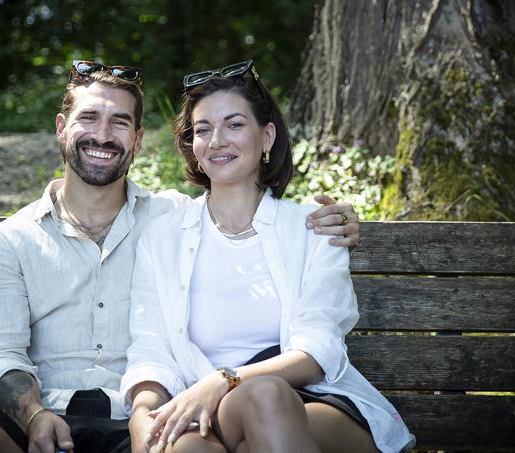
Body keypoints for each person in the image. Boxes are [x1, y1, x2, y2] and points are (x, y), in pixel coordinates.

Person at [0, 60, 361, 453]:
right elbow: (1, 355)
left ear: (138, 139)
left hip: (138, 416)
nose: (102, 134)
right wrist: (33, 415)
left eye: (120, 122)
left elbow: (241, 204)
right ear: (60, 127)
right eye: (88, 117)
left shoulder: (166, 219)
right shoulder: (11, 240)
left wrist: (334, 221)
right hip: (41, 417)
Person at [121, 60, 415, 453]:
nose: (218, 140)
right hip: (207, 411)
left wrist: (225, 379)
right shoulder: (163, 234)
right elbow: (150, 348)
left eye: (235, 124)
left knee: (265, 398)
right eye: (203, 129)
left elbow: (317, 351)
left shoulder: (313, 228)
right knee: (188, 449)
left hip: (313, 401)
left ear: (267, 136)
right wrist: (143, 416)